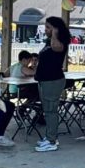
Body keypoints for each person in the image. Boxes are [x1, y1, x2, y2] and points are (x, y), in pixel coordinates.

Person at [33, 15, 70, 152]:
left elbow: (56, 48)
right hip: (44, 80)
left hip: (52, 80)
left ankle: (51, 141)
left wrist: (54, 34)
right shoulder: (49, 41)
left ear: (56, 29)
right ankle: (50, 136)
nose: (46, 30)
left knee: (50, 111)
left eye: (48, 27)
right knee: (47, 111)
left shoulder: (60, 42)